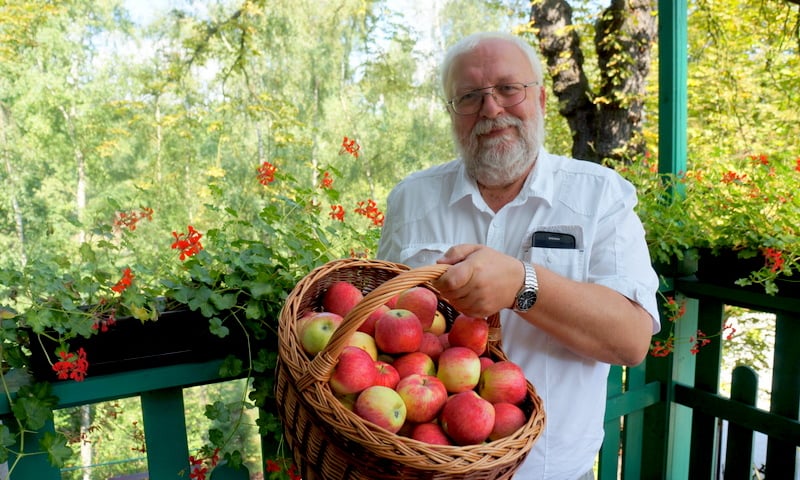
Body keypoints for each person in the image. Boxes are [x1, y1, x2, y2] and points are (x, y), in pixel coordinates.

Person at [376, 31, 660, 480]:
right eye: (470, 96)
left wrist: (523, 286)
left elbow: (630, 339)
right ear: (452, 114)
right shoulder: (411, 201)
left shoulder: (598, 195)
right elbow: (383, 328)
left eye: (509, 89)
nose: (492, 109)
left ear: (542, 99)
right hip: (429, 469)